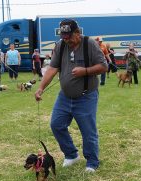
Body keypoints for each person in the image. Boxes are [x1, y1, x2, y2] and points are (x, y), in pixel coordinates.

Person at [35, 19, 107, 172]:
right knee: (56, 124)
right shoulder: (61, 45)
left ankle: (92, 162)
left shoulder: (90, 44)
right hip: (65, 96)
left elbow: (103, 66)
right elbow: (52, 68)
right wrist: (41, 88)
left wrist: (85, 71)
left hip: (86, 96)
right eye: (63, 36)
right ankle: (71, 155)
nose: (66, 39)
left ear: (77, 33)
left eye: (69, 36)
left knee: (88, 131)